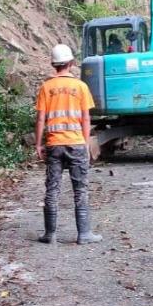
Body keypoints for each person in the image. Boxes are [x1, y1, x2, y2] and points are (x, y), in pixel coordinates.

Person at [34, 44, 103, 245]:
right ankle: (84, 234)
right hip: (76, 143)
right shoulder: (81, 87)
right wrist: (85, 141)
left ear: (53, 64)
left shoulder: (46, 87)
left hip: (54, 144)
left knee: (52, 189)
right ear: (72, 63)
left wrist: (39, 144)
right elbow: (86, 119)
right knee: (80, 189)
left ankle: (50, 234)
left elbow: (40, 119)